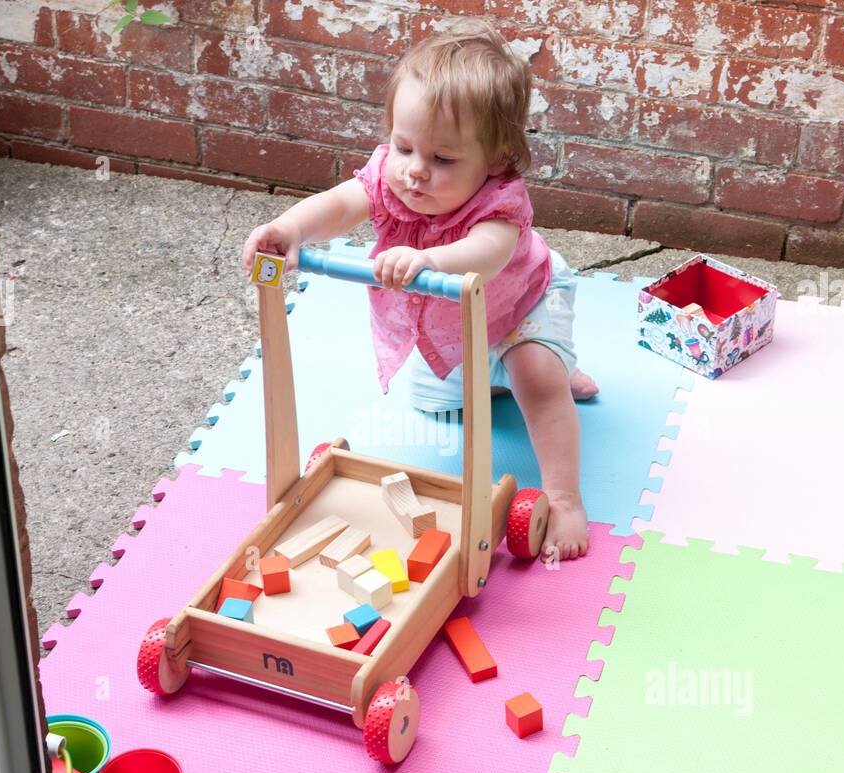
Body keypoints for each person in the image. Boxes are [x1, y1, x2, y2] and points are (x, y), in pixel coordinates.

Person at [243, 20, 597, 559]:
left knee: (538, 380)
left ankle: (566, 495)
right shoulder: (394, 175)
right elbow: (340, 205)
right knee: (436, 404)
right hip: (458, 319)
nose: (415, 173)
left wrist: (428, 257)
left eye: (443, 159)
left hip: (524, 300)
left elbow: (489, 254)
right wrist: (291, 229)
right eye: (404, 146)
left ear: (497, 159)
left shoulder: (501, 201)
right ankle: (511, 370)